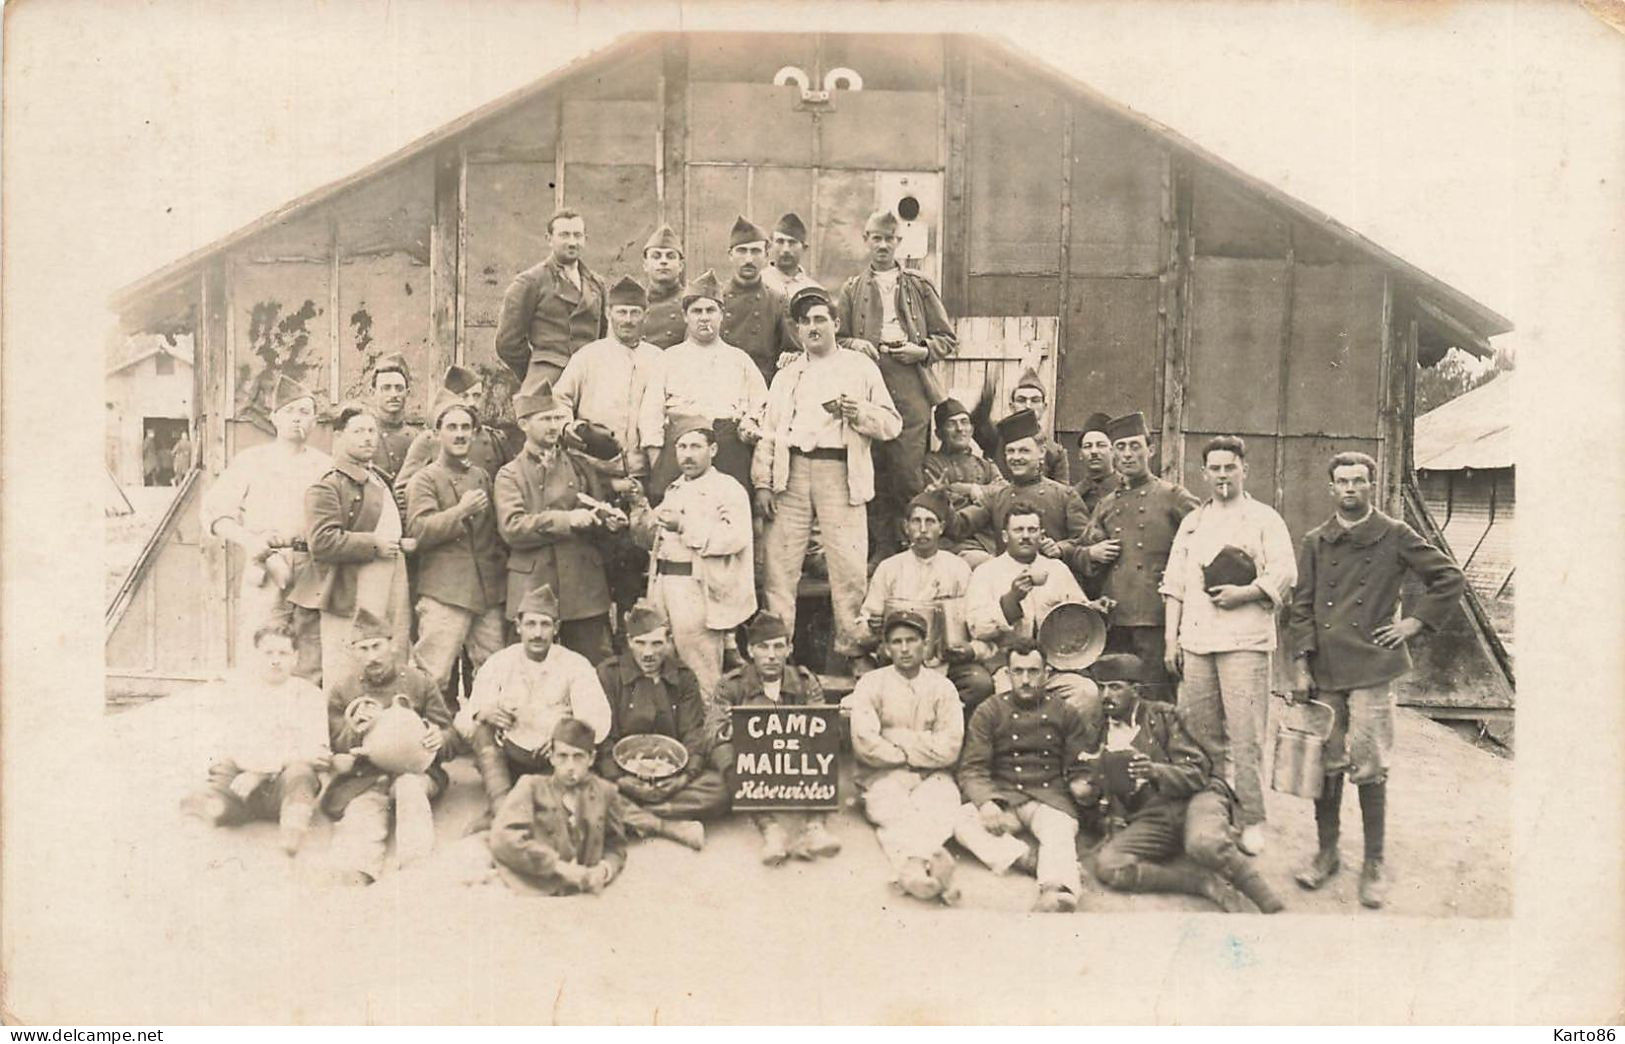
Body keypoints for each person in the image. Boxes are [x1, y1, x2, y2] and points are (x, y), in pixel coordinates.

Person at [1286, 450, 1466, 909]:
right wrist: (1301, 664)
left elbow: (1448, 578)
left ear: (1371, 485)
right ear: (1331, 488)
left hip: (1373, 666)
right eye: (1342, 481)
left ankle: (1374, 863)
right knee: (1325, 764)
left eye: (1359, 481)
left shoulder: (1394, 534)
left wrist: (1415, 623)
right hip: (1326, 669)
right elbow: (1301, 607)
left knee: (1368, 762)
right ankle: (1327, 854)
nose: (1350, 488)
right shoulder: (1314, 541)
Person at [1160, 435, 1297, 856]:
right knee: (1200, 734)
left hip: (1245, 641)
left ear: (1244, 470)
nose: (1222, 475)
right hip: (1198, 641)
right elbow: (1175, 584)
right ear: (1204, 474)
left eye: (1230, 467)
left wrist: (1247, 593)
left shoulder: (1263, 518)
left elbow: (1285, 572)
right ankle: (1211, 813)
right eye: (1215, 468)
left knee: (1245, 733)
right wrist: (1172, 640)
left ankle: (1252, 818)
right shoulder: (1193, 522)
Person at [754, 285, 901, 665]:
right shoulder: (787, 375)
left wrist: (859, 414)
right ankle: (777, 657)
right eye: (804, 321)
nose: (812, 327)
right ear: (797, 329)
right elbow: (769, 432)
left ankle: (854, 652)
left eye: (820, 319)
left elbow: (892, 425)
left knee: (848, 567)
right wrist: (763, 483)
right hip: (793, 473)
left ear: (836, 323)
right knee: (779, 568)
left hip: (841, 472)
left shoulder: (860, 367)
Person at [1079, 654, 1284, 914]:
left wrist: (1156, 771)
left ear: (1137, 690)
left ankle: (1264, 898)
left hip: (1195, 800)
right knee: (1110, 866)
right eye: (1101, 687)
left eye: (1115, 687)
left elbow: (1198, 772)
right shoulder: (1098, 730)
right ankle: (1201, 883)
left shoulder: (1164, 716)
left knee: (1203, 843)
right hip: (1150, 817)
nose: (1106, 695)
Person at [836, 209, 958, 563]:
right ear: (866, 241)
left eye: (889, 239)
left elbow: (947, 340)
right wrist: (856, 344)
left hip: (910, 384)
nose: (883, 245)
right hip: (868, 383)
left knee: (907, 471)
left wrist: (919, 350)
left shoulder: (919, 286)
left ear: (899, 243)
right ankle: (882, 547)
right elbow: (838, 337)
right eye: (877, 238)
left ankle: (918, 545)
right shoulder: (852, 288)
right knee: (871, 467)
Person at [200, 375, 331, 680]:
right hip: (267, 567)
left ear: (314, 420)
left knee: (310, 654)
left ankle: (302, 721)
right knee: (262, 647)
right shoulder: (252, 461)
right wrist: (249, 541)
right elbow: (215, 514)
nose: (297, 419)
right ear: (274, 418)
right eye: (290, 411)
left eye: (305, 411)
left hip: (313, 568)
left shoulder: (326, 466)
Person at [456, 583, 613, 834]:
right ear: (518, 627)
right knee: (482, 728)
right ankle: (502, 807)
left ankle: (505, 818)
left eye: (545, 624)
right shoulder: (501, 662)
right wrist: (484, 712)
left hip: (550, 759)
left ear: (556, 628)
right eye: (530, 624)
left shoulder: (575, 664)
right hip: (509, 756)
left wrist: (565, 735)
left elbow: (598, 720)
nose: (537, 633)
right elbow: (463, 719)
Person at [953, 641, 1090, 913]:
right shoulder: (989, 711)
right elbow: (972, 768)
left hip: (1048, 796)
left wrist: (1082, 784)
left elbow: (1080, 764)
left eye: (1033, 672)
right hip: (1005, 797)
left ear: (1046, 673)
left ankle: (1056, 890)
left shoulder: (1065, 713)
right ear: (1008, 673)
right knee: (960, 820)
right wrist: (986, 802)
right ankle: (1028, 859)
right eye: (1018, 672)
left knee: (1059, 828)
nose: (1025, 680)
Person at [494, 381, 626, 664]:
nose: (553, 426)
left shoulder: (580, 465)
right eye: (545, 419)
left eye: (557, 418)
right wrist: (566, 520)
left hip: (582, 588)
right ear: (524, 424)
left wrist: (609, 523)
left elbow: (595, 512)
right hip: (533, 586)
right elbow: (512, 528)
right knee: (526, 672)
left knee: (594, 668)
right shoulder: (509, 474)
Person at [322, 610, 454, 885]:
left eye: (377, 646)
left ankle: (415, 865)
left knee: (410, 789)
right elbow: (335, 742)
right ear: (353, 653)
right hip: (366, 775)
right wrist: (355, 731)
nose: (372, 657)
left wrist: (440, 738)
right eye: (364, 649)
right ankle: (357, 869)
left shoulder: (419, 682)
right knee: (364, 807)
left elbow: (452, 735)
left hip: (415, 772)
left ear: (392, 645)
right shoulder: (343, 690)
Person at [844, 608, 966, 904]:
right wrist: (921, 745)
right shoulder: (871, 684)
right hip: (882, 775)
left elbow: (950, 746)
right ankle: (932, 870)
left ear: (925, 644)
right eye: (896, 642)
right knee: (893, 810)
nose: (904, 648)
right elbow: (866, 743)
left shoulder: (942, 687)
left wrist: (898, 741)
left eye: (911, 640)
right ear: (886, 647)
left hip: (932, 775)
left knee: (942, 807)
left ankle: (911, 871)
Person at [630, 415, 754, 700]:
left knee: (702, 674)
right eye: (682, 447)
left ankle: (710, 739)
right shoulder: (675, 489)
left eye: (695, 447)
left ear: (712, 450)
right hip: (662, 586)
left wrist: (684, 525)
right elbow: (653, 539)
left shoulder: (728, 488)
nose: (687, 455)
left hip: (697, 588)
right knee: (664, 670)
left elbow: (734, 538)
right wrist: (639, 508)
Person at [1081, 410, 1201, 702]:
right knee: (1116, 699)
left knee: (1155, 700)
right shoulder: (1107, 505)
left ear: (1151, 449)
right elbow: (1083, 554)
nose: (1128, 454)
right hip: (1115, 620)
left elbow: (1204, 542)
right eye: (1120, 447)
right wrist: (1091, 554)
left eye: (1135, 446)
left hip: (1155, 619)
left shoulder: (1173, 496)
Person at [180, 623, 329, 856]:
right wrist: (271, 763)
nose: (275, 660)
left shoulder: (311, 695)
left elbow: (317, 753)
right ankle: (205, 825)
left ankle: (291, 839)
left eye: (283, 653)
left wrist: (261, 772)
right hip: (242, 782)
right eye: (268, 653)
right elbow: (238, 748)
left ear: (295, 658)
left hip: (284, 787)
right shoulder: (239, 693)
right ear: (257, 657)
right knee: (212, 789)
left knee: (301, 773)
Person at [295, 403, 413, 687]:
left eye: (372, 430)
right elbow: (322, 541)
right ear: (338, 437)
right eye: (358, 431)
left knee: (392, 652)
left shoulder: (379, 478)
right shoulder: (328, 485)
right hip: (351, 584)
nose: (368, 437)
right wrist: (373, 544)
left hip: (391, 578)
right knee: (347, 664)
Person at [594, 601, 727, 851]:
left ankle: (630, 816)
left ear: (668, 642)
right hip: (623, 778)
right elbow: (603, 736)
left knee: (721, 788)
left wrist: (685, 777)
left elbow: (693, 733)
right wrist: (619, 780)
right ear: (629, 641)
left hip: (671, 777)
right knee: (592, 786)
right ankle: (664, 824)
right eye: (640, 643)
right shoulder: (608, 674)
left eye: (657, 643)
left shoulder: (684, 677)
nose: (648, 653)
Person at [710, 611, 839, 864]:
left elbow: (820, 722)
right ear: (750, 649)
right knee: (722, 750)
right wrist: (741, 727)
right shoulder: (731, 684)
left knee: (824, 741)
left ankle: (815, 827)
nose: (771, 655)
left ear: (789, 649)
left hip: (792, 756)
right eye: (763, 647)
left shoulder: (803, 681)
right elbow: (712, 730)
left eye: (778, 646)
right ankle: (770, 829)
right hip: (752, 760)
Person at [404, 400, 508, 700]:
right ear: (436, 434)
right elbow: (419, 531)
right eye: (451, 427)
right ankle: (423, 741)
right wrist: (460, 511)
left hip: (487, 591)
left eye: (466, 428)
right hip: (445, 591)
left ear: (475, 434)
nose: (460, 434)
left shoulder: (481, 476)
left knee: (494, 673)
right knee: (432, 676)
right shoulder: (424, 479)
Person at [858, 490, 995, 715]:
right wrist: (872, 625)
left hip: (947, 661)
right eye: (916, 521)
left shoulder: (958, 568)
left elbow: (976, 622)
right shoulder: (889, 568)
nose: (923, 529)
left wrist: (971, 649)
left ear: (941, 527)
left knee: (980, 684)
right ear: (906, 527)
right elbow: (864, 623)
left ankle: (947, 728)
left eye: (930, 522)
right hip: (900, 659)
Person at [638, 270, 768, 501]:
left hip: (728, 449)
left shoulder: (739, 360)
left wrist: (749, 423)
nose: (704, 317)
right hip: (680, 448)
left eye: (711, 310)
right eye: (696, 311)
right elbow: (650, 415)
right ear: (685, 316)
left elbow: (762, 406)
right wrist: (658, 461)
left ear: (722, 315)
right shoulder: (668, 359)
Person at [964, 505, 1101, 717]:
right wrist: (1011, 600)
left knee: (1087, 693)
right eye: (1018, 530)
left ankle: (1071, 748)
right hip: (1009, 668)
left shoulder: (1057, 569)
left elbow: (1079, 613)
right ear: (1005, 536)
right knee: (1011, 702)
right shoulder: (986, 573)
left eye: (1032, 530)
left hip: (1055, 668)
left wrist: (1095, 608)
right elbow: (977, 628)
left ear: (1041, 534)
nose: (1026, 536)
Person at [488, 716, 628, 896]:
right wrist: (556, 866)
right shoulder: (531, 787)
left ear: (591, 758)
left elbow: (616, 846)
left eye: (578, 757)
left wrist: (604, 870)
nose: (570, 766)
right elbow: (502, 838)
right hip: (533, 888)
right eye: (562, 756)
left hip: (584, 893)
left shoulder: (606, 792)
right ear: (552, 757)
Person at [554, 275, 662, 484]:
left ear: (645, 316)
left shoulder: (658, 358)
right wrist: (566, 427)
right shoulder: (588, 356)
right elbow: (559, 399)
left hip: (642, 470)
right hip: (593, 469)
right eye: (621, 312)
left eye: (635, 313)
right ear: (608, 313)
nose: (628, 320)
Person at [494, 208, 606, 388]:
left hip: (589, 381)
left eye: (578, 235)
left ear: (586, 239)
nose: (572, 242)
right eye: (564, 235)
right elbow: (507, 343)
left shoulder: (597, 284)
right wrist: (536, 369)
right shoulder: (530, 282)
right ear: (549, 239)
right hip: (549, 381)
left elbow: (601, 337)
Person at [983, 409, 1092, 569]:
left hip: (1052, 582)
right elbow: (961, 525)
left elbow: (1087, 541)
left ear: (1041, 452)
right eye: (1010, 451)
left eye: (1024, 451)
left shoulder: (1064, 495)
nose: (1016, 457)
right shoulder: (998, 497)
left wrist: (1061, 548)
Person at [395, 365, 514, 500]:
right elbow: (402, 491)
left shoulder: (495, 439)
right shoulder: (430, 439)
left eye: (477, 396)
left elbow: (511, 486)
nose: (472, 403)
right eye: (464, 396)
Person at [921, 397, 1006, 567]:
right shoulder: (932, 463)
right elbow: (950, 512)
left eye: (964, 422)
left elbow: (1004, 492)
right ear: (939, 433)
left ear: (972, 429)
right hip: (953, 546)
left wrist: (969, 489)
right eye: (952, 424)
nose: (960, 429)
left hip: (989, 543)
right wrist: (987, 504)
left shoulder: (984, 464)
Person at [720, 216, 799, 386]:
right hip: (720, 389)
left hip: (762, 390)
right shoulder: (714, 301)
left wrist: (791, 356)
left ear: (766, 256)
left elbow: (793, 352)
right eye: (742, 251)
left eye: (755, 251)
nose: (749, 259)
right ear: (730, 255)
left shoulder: (778, 302)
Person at [994, 369, 1069, 484]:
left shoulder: (1055, 452)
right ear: (1012, 406)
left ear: (1044, 407)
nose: (1028, 406)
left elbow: (1063, 494)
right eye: (1021, 400)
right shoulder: (996, 441)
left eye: (1035, 400)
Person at [368, 352, 418, 484]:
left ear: (407, 393)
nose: (394, 394)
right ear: (373, 393)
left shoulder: (417, 438)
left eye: (399, 388)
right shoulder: (365, 434)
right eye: (386, 388)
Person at [640, 224, 688, 349]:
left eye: (670, 256)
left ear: (681, 266)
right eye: (656, 256)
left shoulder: (690, 302)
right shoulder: (636, 303)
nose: (663, 261)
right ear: (645, 265)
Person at [1072, 412, 1121, 517]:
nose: (1094, 451)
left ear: (1113, 451)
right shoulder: (1073, 495)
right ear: (1080, 454)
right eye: (1088, 446)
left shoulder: (1127, 489)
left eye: (1101, 445)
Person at [761, 212, 819, 298]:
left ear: (804, 248)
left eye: (792, 243)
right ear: (770, 246)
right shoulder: (757, 285)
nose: (786, 250)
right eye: (780, 242)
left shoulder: (814, 292)